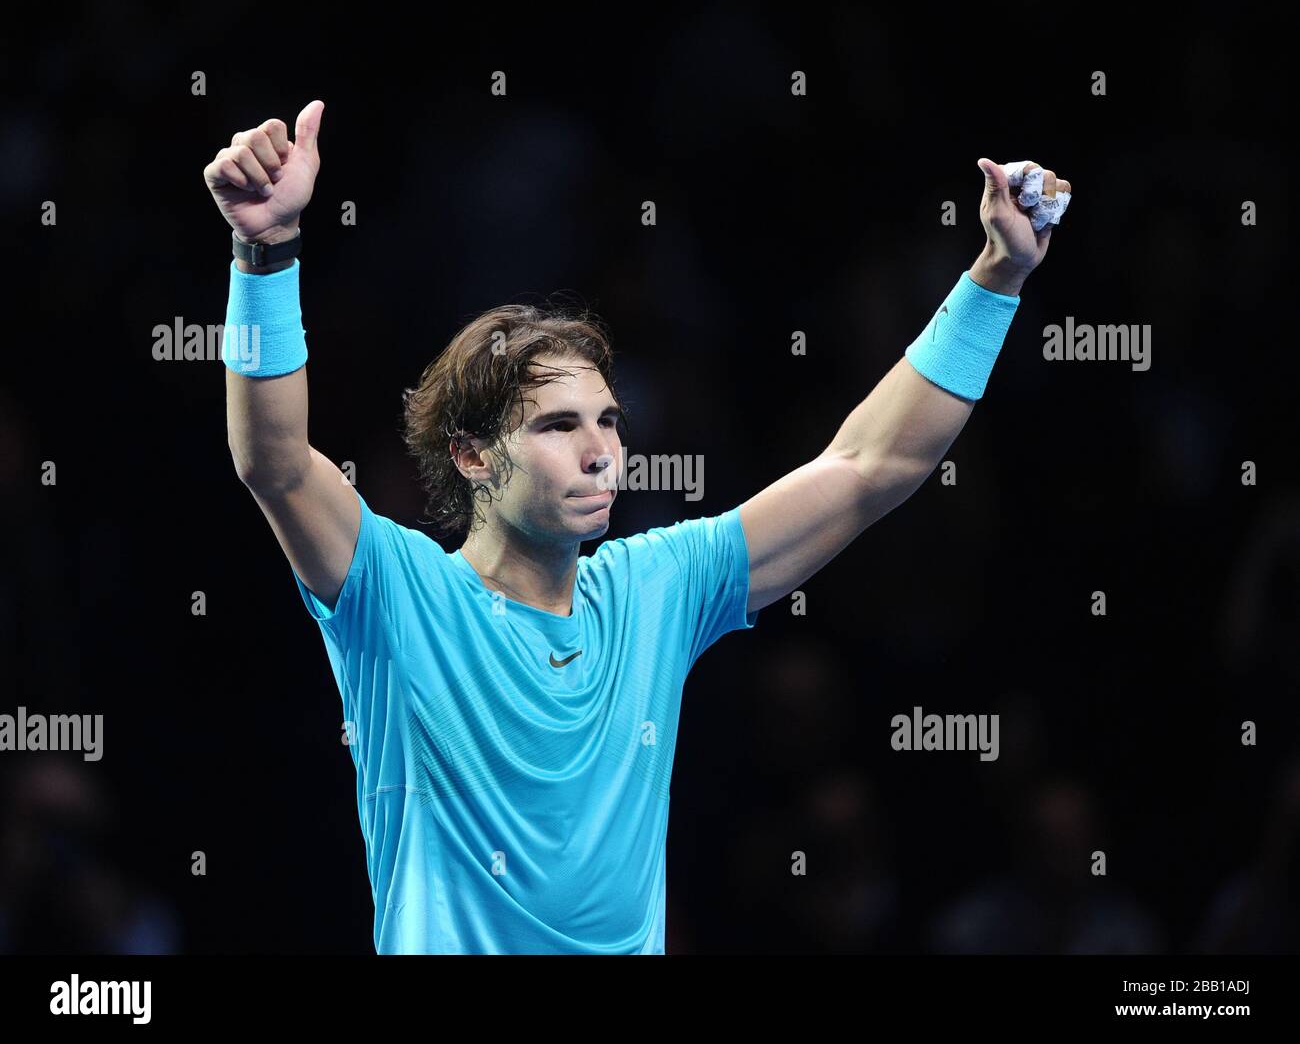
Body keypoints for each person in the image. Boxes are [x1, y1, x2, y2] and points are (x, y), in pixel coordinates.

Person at [204, 99, 1071, 954]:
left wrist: (996, 281)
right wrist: (264, 251)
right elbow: (273, 460)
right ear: (472, 456)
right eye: (558, 426)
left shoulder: (658, 585)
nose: (602, 452)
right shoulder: (398, 593)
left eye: (609, 421)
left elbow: (868, 469)